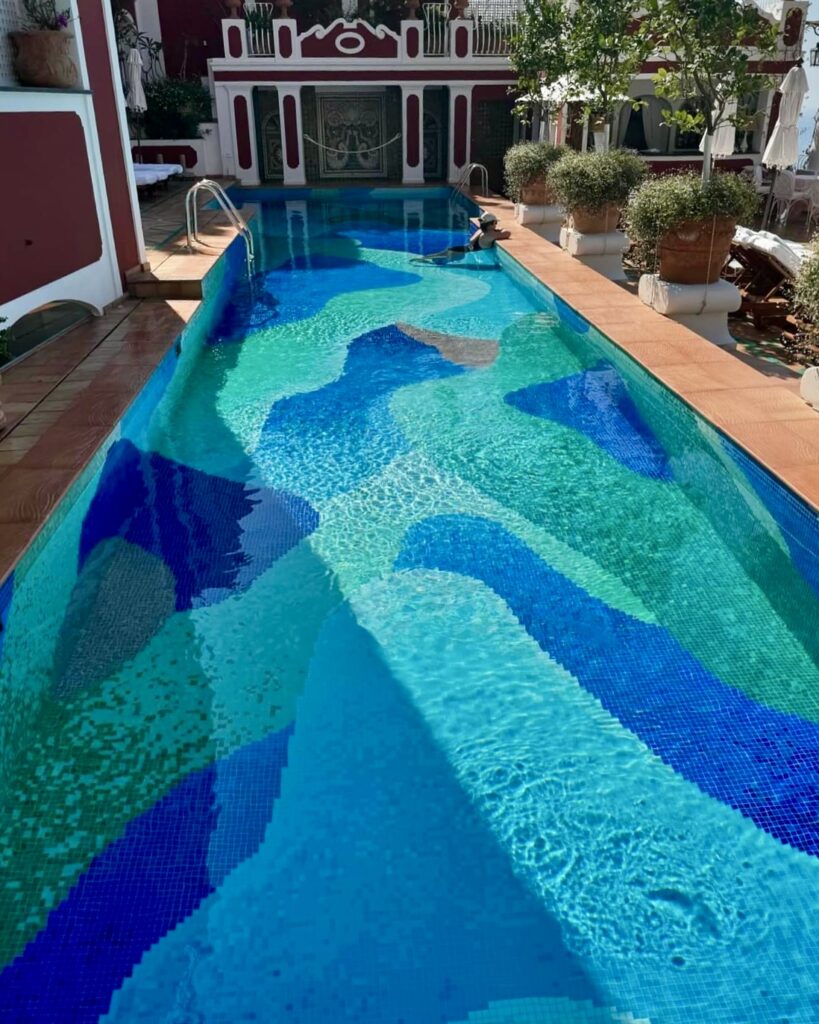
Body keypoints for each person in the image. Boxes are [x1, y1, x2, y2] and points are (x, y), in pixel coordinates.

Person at [417, 212, 511, 263]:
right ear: (490, 224)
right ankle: (425, 260)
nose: (496, 225)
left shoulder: (481, 231)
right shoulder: (489, 235)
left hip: (460, 249)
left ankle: (424, 258)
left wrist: (493, 230)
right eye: (495, 223)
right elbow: (508, 233)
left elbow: (472, 239)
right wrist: (498, 230)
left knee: (439, 256)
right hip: (460, 253)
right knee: (440, 259)